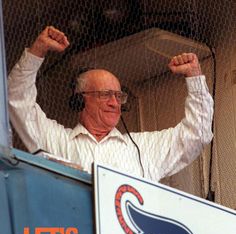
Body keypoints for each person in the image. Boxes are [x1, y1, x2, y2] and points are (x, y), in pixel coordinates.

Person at [8, 26, 213, 181]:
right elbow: (17, 99)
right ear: (81, 98)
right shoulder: (56, 141)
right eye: (106, 94)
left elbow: (198, 134)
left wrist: (194, 78)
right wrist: (37, 51)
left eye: (118, 95)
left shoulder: (143, 149)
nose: (115, 103)